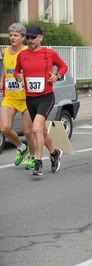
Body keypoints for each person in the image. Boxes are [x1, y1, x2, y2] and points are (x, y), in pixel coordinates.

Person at [14, 25, 67, 176]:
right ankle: (54, 153)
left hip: (46, 96)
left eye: (33, 37)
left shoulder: (49, 53)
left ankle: (38, 163)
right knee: (42, 131)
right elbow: (17, 71)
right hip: (30, 98)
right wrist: (18, 76)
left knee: (36, 129)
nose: (30, 40)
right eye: (28, 37)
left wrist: (57, 76)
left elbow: (63, 67)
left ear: (41, 37)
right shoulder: (22, 55)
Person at [0, 23, 36, 170]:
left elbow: (36, 70)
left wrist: (25, 75)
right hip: (9, 96)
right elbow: (6, 67)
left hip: (26, 97)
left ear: (23, 37)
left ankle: (33, 156)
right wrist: (2, 79)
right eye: (11, 35)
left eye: (16, 35)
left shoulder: (29, 51)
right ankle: (21, 147)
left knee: (27, 130)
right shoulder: (5, 51)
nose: (12, 38)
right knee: (4, 128)